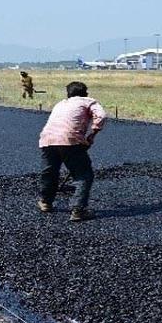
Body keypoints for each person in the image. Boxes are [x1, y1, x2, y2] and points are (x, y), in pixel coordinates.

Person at [37, 81, 107, 222]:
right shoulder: (88, 101)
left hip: (47, 140)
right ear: (85, 93)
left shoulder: (60, 104)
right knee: (83, 175)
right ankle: (78, 210)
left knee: (50, 172)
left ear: (68, 94)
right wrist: (92, 134)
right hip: (71, 141)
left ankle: (45, 202)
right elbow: (101, 116)